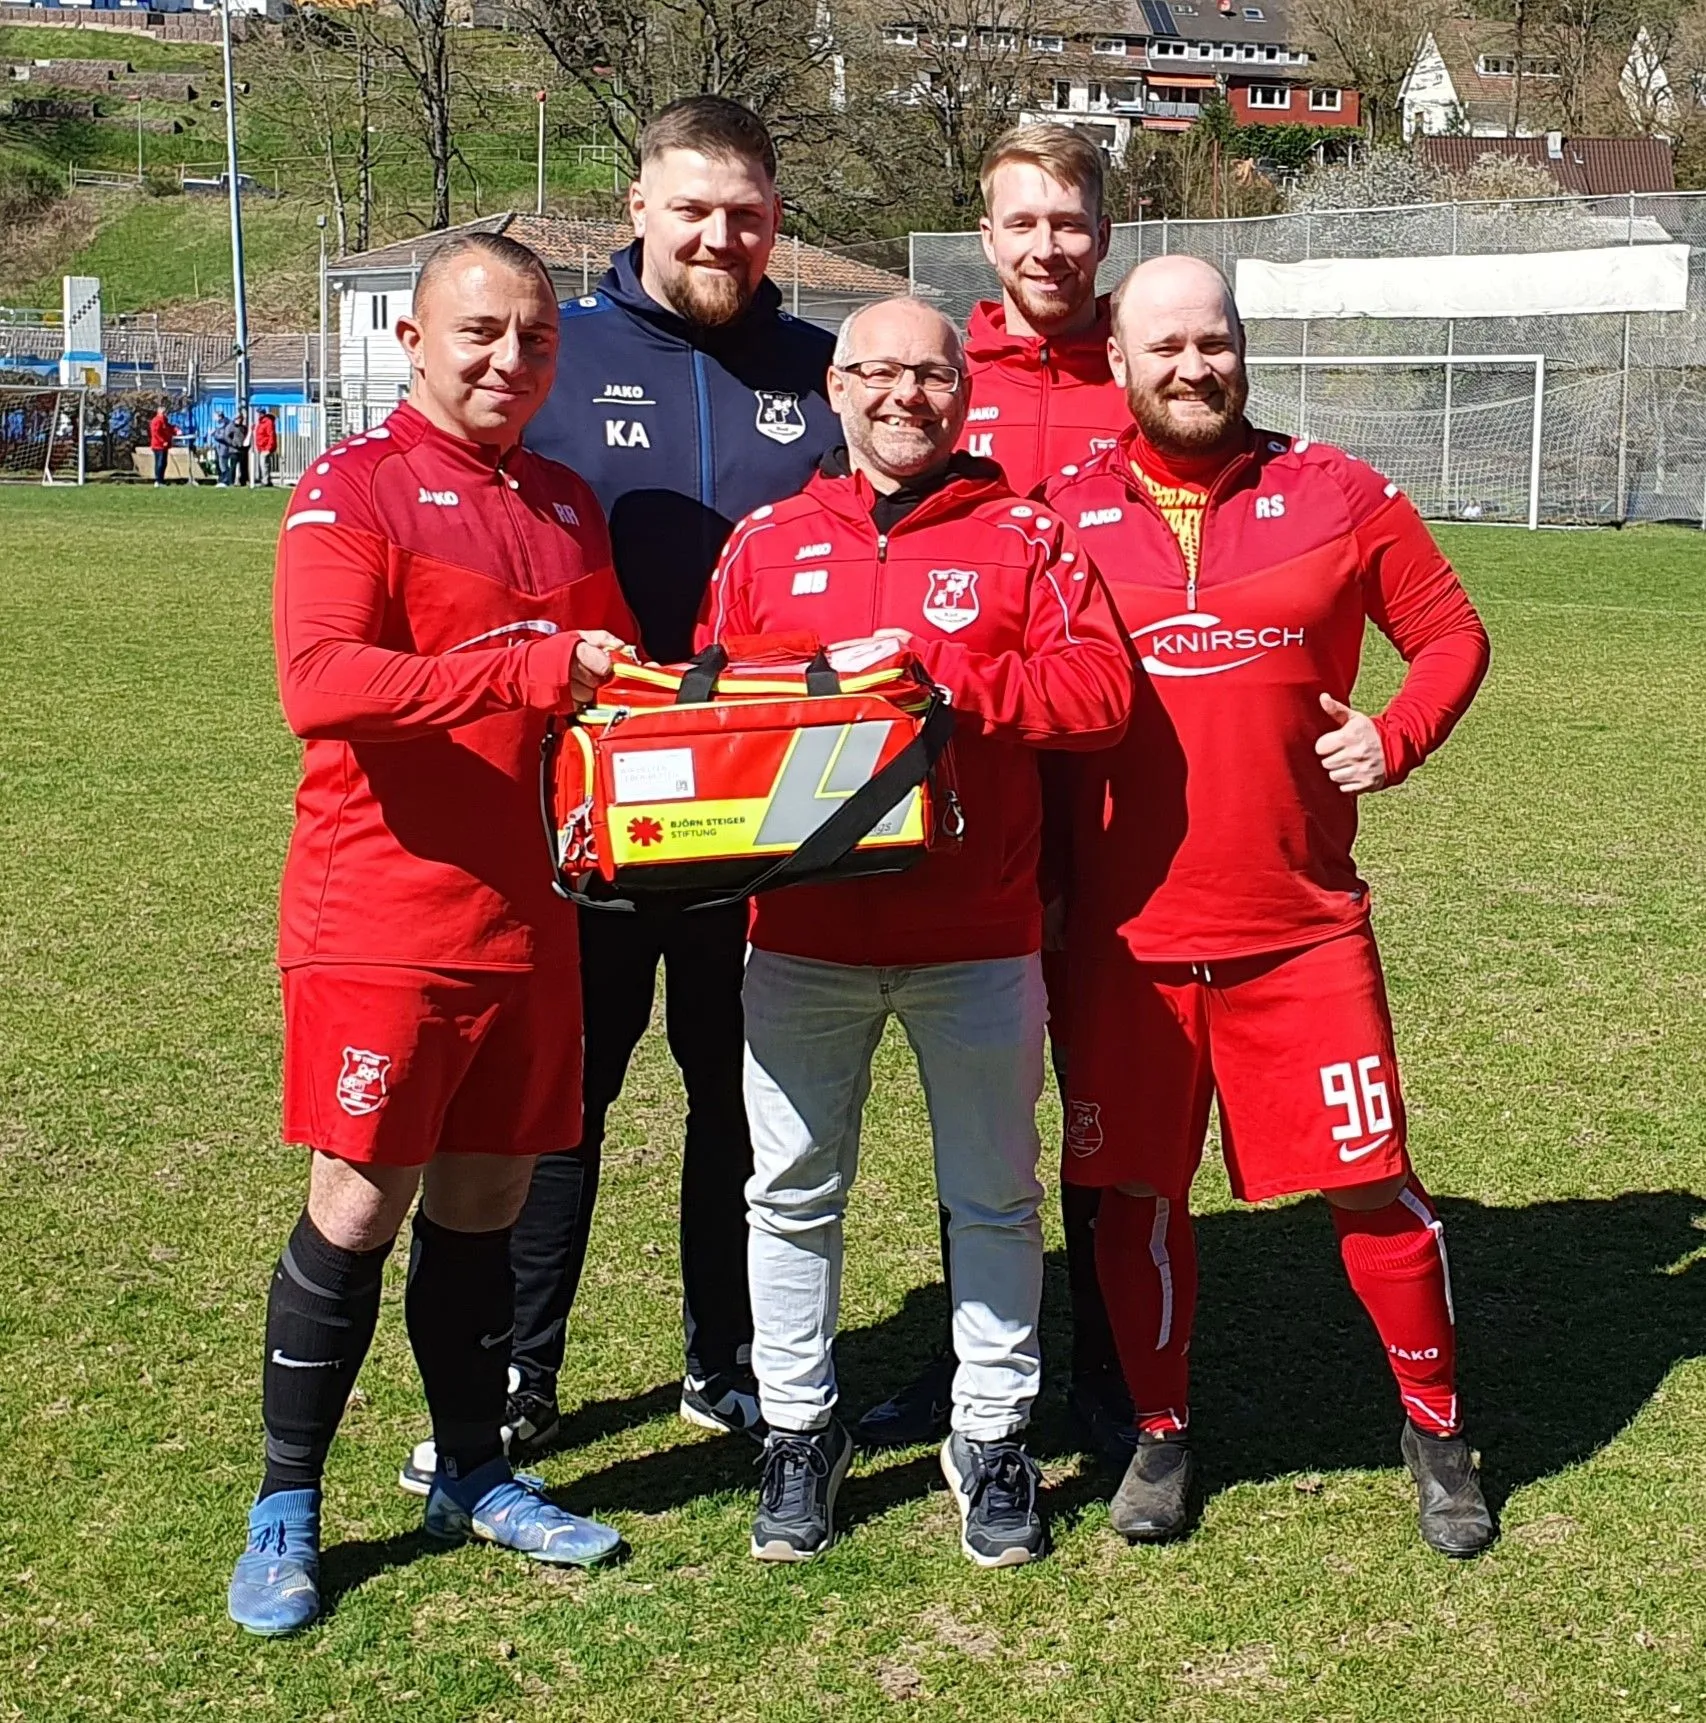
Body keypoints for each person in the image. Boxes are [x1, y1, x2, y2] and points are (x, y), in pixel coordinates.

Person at [398, 96, 841, 1491]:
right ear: (634, 208)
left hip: (760, 823)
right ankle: (526, 1371)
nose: (721, 234)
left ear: (775, 220)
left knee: (742, 1094)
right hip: (580, 814)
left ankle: (730, 1352)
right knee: (559, 1099)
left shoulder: (822, 372)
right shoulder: (556, 356)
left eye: (747, 212)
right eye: (693, 207)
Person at [1042, 255, 1495, 1556]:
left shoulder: (1339, 492)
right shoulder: (1057, 513)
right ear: (1116, 364)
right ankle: (1161, 1430)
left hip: (1301, 929)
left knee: (1372, 1186)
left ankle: (1436, 1429)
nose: (1194, 366)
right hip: (1124, 948)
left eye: (1215, 339)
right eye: (1165, 346)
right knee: (1132, 1194)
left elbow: (1450, 633)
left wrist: (1397, 734)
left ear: (1241, 346)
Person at [226, 231, 639, 1638]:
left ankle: (472, 1467)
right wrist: (523, 664)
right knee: (360, 1200)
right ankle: (287, 1501)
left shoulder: (568, 504)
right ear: (411, 339)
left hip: (533, 916)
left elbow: (615, 698)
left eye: (531, 337)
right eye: (478, 332)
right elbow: (319, 680)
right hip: (386, 916)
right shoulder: (354, 486)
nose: (505, 359)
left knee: (487, 1203)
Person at [699, 296, 1134, 1567]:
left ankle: (987, 1433)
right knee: (787, 1193)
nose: (906, 396)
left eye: (932, 374)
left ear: (964, 394)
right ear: (835, 388)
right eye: (879, 372)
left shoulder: (1026, 535)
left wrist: (947, 684)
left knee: (994, 1198)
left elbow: (1100, 693)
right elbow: (707, 714)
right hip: (802, 938)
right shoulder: (766, 541)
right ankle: (797, 1425)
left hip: (977, 935)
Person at [857, 122, 1137, 1466]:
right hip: (960, 798)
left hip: (1112, 783)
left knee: (1100, 1078)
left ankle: (1113, 1356)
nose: (1046, 245)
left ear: (1102, 230)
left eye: (1068, 221)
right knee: (979, 1089)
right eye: (1021, 221)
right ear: (986, 232)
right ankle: (969, 1346)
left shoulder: (1139, 370)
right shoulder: (939, 375)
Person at [211, 411, 239, 487]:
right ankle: (224, 480)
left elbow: (223, 436)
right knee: (221, 464)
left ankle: (226, 480)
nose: (214, 418)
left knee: (223, 465)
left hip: (224, 448)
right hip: (220, 447)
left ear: (219, 416)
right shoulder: (221, 424)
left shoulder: (225, 424)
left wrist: (214, 434)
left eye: (215, 416)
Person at [148, 405, 174, 485]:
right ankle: (158, 480)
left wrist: (176, 430)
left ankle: (161, 480)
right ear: (159, 412)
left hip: (164, 445)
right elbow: (155, 433)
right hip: (158, 445)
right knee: (159, 462)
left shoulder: (164, 420)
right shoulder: (156, 421)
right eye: (163, 412)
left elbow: (169, 428)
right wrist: (162, 441)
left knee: (164, 463)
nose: (165, 413)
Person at [253, 407, 279, 487]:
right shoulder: (261, 423)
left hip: (266, 448)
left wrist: (269, 448)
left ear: (261, 414)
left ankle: (265, 481)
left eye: (258, 413)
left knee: (264, 464)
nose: (257, 415)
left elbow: (271, 436)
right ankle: (267, 480)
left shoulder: (268, 422)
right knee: (265, 464)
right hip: (261, 447)